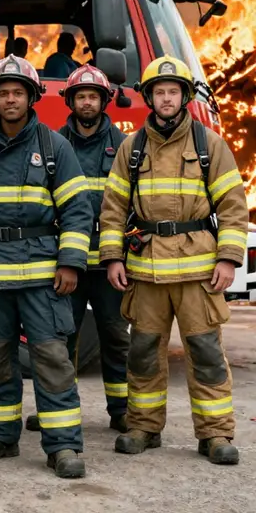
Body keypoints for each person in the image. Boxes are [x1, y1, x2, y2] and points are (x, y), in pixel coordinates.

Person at [0, 55, 94, 479]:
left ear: (31, 97)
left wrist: (70, 263)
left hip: (42, 277)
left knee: (50, 359)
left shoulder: (54, 147)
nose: (10, 99)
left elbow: (77, 210)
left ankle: (63, 446)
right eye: (3, 92)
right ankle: (0, 435)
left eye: (18, 92)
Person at [99, 56, 248, 465]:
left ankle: (215, 435)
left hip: (199, 270)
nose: (166, 99)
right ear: (149, 97)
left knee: (206, 355)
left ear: (184, 96)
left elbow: (232, 206)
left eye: (173, 91)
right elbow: (113, 208)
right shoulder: (132, 147)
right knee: (144, 352)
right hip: (146, 271)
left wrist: (229, 258)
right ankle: (144, 427)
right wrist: (113, 258)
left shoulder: (208, 144)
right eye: (159, 92)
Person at [24, 65, 129, 435]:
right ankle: (55, 409)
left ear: (104, 101)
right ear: (71, 101)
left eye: (93, 96)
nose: (87, 102)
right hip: (65, 260)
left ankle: (121, 410)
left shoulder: (124, 145)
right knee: (58, 338)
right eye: (81, 96)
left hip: (108, 260)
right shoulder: (52, 143)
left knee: (115, 335)